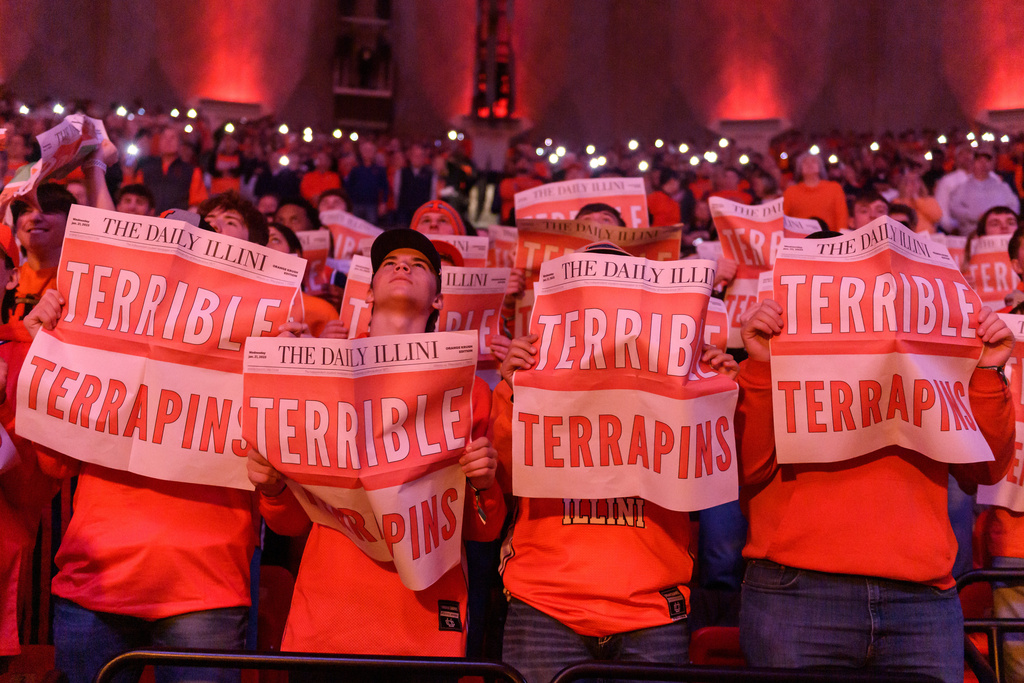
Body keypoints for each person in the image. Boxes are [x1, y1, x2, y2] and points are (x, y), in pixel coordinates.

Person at [23, 198, 268, 683]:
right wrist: (46, 350)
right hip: (95, 581)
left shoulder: (276, 345)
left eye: (228, 225)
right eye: (202, 223)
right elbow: (54, 465)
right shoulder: (97, 325)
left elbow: (283, 506)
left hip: (207, 591)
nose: (209, 229)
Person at [246, 229, 505, 658]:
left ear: (439, 300)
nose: (403, 266)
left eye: (419, 265)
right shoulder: (320, 380)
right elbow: (289, 525)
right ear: (368, 293)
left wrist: (483, 484)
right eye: (390, 263)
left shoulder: (470, 391)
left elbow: (484, 529)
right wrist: (272, 486)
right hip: (325, 623)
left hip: (423, 631)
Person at [493, 241, 739, 683]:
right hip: (546, 606)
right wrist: (515, 389)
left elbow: (716, 485)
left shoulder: (687, 378)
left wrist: (722, 398)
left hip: (653, 609)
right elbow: (506, 482)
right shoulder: (524, 377)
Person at [735, 294, 1015, 682]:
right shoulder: (772, 354)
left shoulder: (933, 359)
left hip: (920, 599)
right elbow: (744, 469)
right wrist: (763, 366)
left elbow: (985, 470)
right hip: (798, 591)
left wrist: (985, 370)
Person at [136, 126, 208, 212]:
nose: (168, 141)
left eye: (173, 138)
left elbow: (197, 203)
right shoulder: (145, 169)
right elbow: (137, 198)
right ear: (159, 142)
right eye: (164, 137)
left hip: (178, 222)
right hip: (149, 221)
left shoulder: (192, 171)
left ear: (180, 143)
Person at [949, 149, 1021, 233]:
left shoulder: (1002, 187)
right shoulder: (962, 188)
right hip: (971, 234)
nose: (983, 164)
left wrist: (999, 218)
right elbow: (954, 209)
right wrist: (975, 216)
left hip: (999, 235)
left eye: (987, 161)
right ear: (972, 164)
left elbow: (1014, 206)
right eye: (979, 161)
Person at [782, 152, 849, 232]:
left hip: (830, 240)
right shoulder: (790, 192)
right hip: (800, 241)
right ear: (799, 169)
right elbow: (783, 219)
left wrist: (841, 239)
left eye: (813, 161)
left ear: (820, 167)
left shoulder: (834, 188)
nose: (809, 164)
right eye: (805, 162)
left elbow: (842, 218)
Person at [393, 144, 435, 226]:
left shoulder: (430, 174)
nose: (417, 158)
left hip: (422, 211)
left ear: (423, 157)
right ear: (410, 157)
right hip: (404, 211)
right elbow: (396, 191)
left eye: (420, 156)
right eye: (415, 156)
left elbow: (432, 193)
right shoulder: (402, 172)